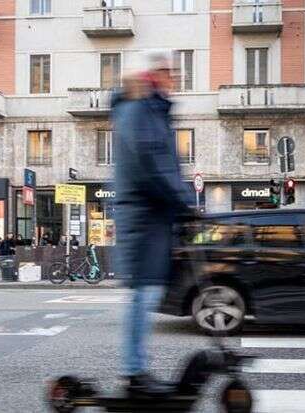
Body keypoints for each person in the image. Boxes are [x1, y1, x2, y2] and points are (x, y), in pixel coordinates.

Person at [112, 52, 193, 397]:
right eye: (167, 73)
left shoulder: (152, 111)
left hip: (153, 215)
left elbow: (164, 162)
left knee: (148, 293)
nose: (172, 79)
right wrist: (183, 200)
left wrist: (180, 199)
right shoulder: (139, 110)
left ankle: (136, 370)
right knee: (143, 295)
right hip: (143, 216)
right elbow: (151, 162)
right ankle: (134, 374)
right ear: (154, 76)